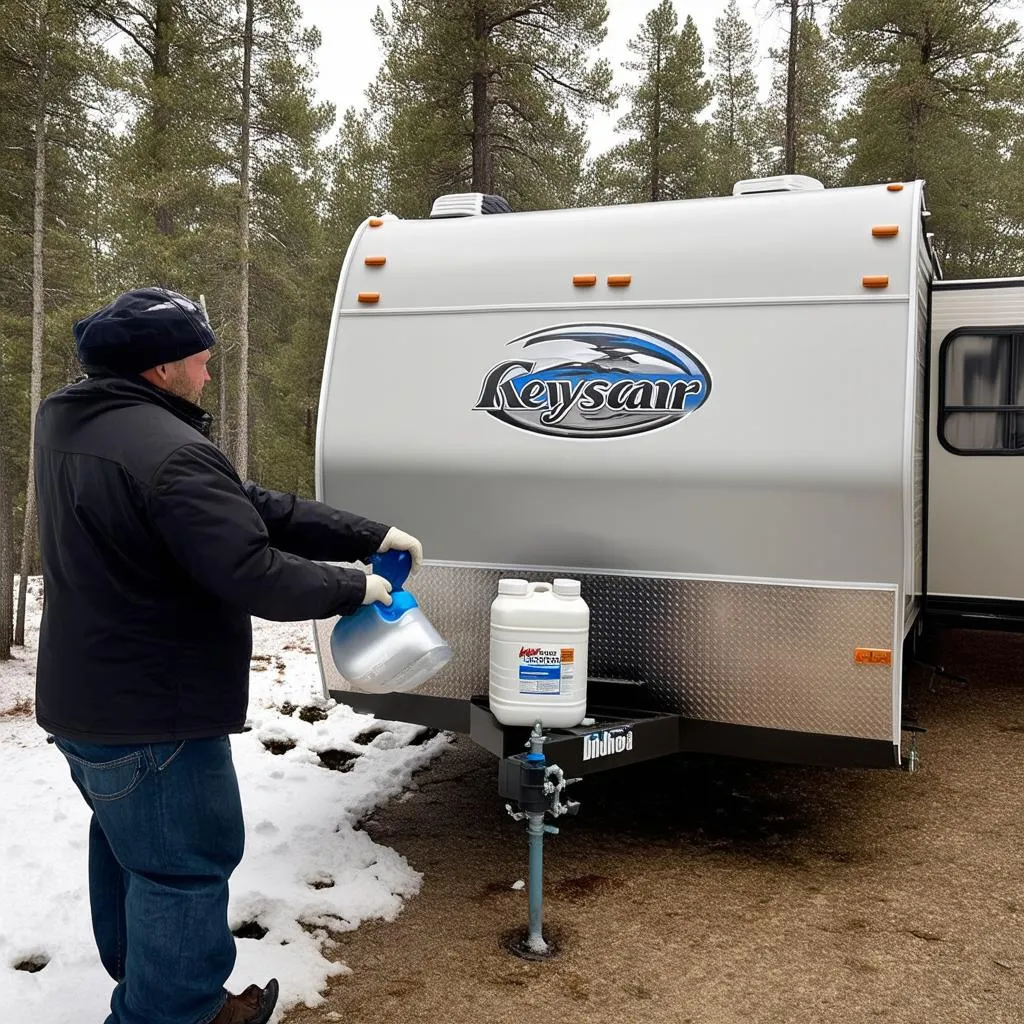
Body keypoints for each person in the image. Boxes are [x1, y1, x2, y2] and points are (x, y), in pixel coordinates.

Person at [33, 287, 422, 1024]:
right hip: (157, 713)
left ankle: (158, 990)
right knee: (183, 869)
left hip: (87, 702)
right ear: (159, 369)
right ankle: (174, 1012)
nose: (209, 375)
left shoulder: (76, 418)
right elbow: (253, 571)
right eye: (201, 362)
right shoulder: (170, 452)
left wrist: (361, 533)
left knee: (133, 856)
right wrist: (358, 586)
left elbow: (238, 503)